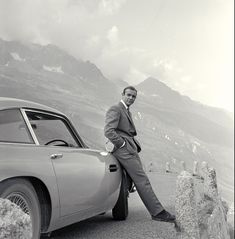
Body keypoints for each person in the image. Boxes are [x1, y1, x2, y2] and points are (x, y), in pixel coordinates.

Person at [104, 85, 175, 223]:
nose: (131, 98)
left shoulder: (126, 110)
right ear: (122, 94)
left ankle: (122, 207)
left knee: (133, 179)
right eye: (128, 95)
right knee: (142, 179)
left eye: (133, 96)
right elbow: (108, 131)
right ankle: (158, 212)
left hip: (130, 148)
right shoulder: (116, 108)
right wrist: (122, 144)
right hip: (123, 149)